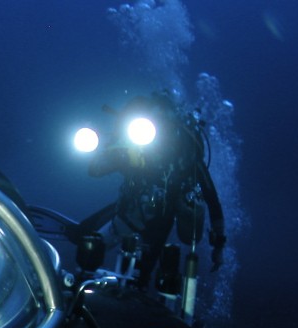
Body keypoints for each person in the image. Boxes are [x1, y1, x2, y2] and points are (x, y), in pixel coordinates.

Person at [88, 91, 226, 288]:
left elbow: (212, 199)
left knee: (138, 279)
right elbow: (95, 170)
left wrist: (219, 245)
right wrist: (112, 148)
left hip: (158, 225)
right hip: (127, 214)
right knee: (89, 248)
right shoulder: (134, 150)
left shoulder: (186, 160)